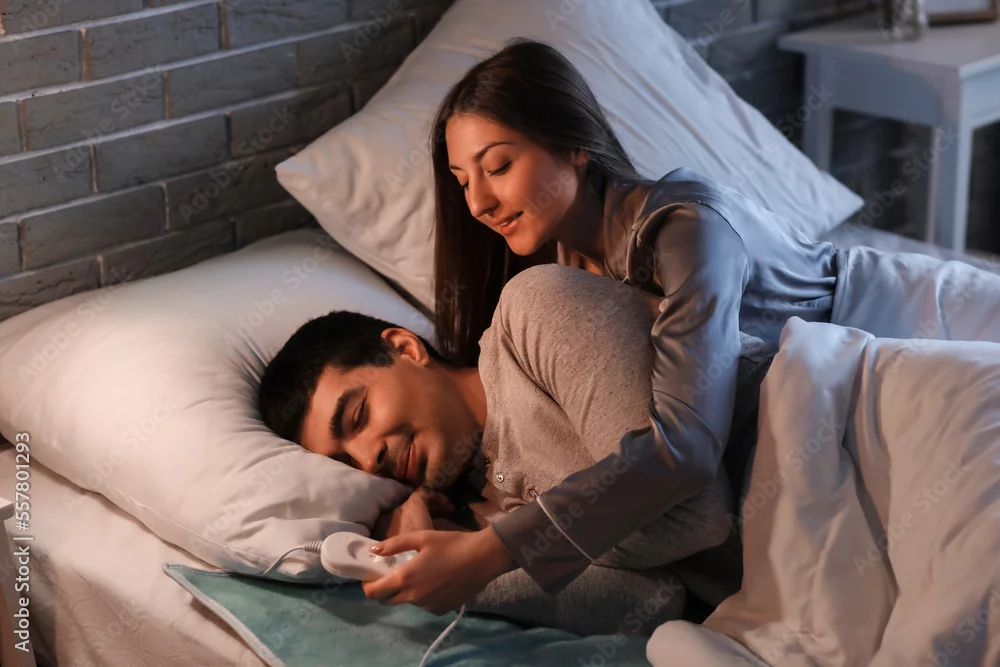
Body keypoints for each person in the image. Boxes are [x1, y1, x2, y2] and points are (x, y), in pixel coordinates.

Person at [334, 35, 1000, 615]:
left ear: (575, 146)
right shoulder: (570, 266)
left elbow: (685, 448)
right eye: (462, 181)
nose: (478, 201)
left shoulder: (685, 230)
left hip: (919, 317)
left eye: (498, 167)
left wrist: (492, 551)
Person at [257, 263, 772, 632]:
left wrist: (493, 552)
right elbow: (654, 599)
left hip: (807, 452)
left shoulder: (535, 313)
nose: (369, 459)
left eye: (359, 416)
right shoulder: (477, 516)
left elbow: (696, 512)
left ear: (405, 348)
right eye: (346, 462)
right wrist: (445, 560)